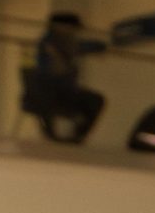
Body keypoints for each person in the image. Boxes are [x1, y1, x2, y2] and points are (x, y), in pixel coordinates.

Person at [30, 11, 107, 143]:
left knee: (95, 101)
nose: (73, 31)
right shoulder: (51, 43)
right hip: (51, 91)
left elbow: (87, 46)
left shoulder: (66, 42)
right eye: (71, 28)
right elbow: (53, 69)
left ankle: (76, 136)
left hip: (64, 91)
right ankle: (58, 136)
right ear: (60, 26)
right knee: (93, 101)